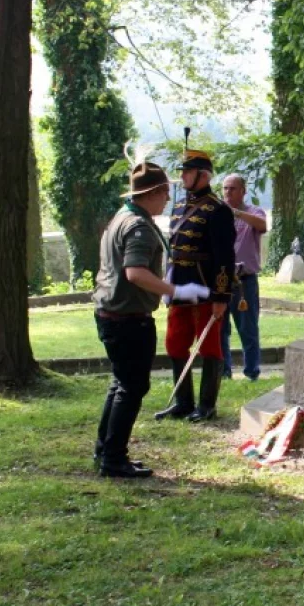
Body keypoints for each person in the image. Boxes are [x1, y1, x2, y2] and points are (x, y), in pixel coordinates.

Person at [92, 162, 210, 478]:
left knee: (121, 384)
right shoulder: (138, 227)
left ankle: (106, 450)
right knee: (132, 386)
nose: (166, 200)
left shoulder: (121, 218)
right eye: (165, 194)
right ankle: (114, 459)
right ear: (153, 193)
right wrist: (177, 290)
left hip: (111, 314)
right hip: (127, 319)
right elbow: (135, 272)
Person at [154, 148, 236, 423]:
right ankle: (183, 402)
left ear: (203, 175)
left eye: (187, 172)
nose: (183, 176)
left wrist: (222, 295)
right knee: (175, 344)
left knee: (209, 346)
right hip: (179, 288)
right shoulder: (178, 207)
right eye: (182, 172)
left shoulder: (218, 210)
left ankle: (207, 406)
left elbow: (225, 257)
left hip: (205, 288)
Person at [219, 173, 267, 381]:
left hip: (244, 282)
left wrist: (236, 213)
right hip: (220, 281)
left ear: (243, 191)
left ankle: (252, 372)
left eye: (233, 188)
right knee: (220, 330)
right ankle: (223, 372)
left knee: (248, 328)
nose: (228, 192)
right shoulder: (218, 214)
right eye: (225, 188)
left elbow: (262, 225)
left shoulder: (253, 212)